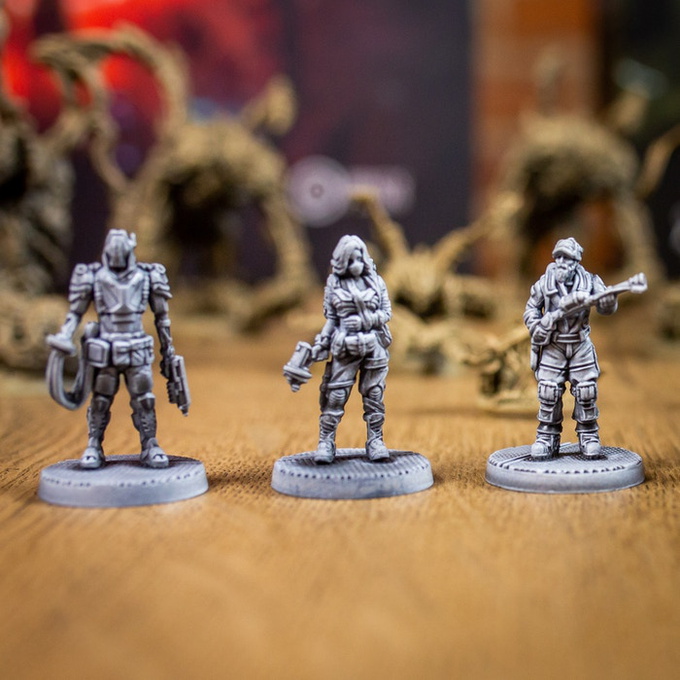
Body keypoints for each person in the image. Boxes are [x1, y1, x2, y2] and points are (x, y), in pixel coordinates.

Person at [47, 229, 188, 469]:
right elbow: (75, 313)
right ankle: (94, 444)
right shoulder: (92, 276)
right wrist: (65, 335)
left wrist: (168, 352)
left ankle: (150, 444)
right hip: (106, 351)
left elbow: (162, 319)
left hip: (136, 348)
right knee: (101, 400)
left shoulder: (148, 276)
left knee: (144, 401)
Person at [523, 237, 617, 459]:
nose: (562, 262)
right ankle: (547, 437)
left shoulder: (590, 281)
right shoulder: (544, 283)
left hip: (579, 345)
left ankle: (589, 435)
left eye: (567, 258)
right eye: (559, 257)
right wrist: (537, 327)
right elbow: (531, 309)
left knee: (586, 392)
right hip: (553, 345)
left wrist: (608, 301)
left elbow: (606, 307)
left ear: (576, 261)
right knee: (548, 392)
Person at [308, 235, 392, 463]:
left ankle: (375, 440)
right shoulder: (334, 284)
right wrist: (322, 342)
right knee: (335, 396)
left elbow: (386, 313)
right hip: (345, 347)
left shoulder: (376, 283)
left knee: (374, 396)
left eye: (359, 259)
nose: (355, 264)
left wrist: (366, 320)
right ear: (342, 261)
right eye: (350, 260)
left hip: (373, 346)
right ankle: (326, 442)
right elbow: (331, 319)